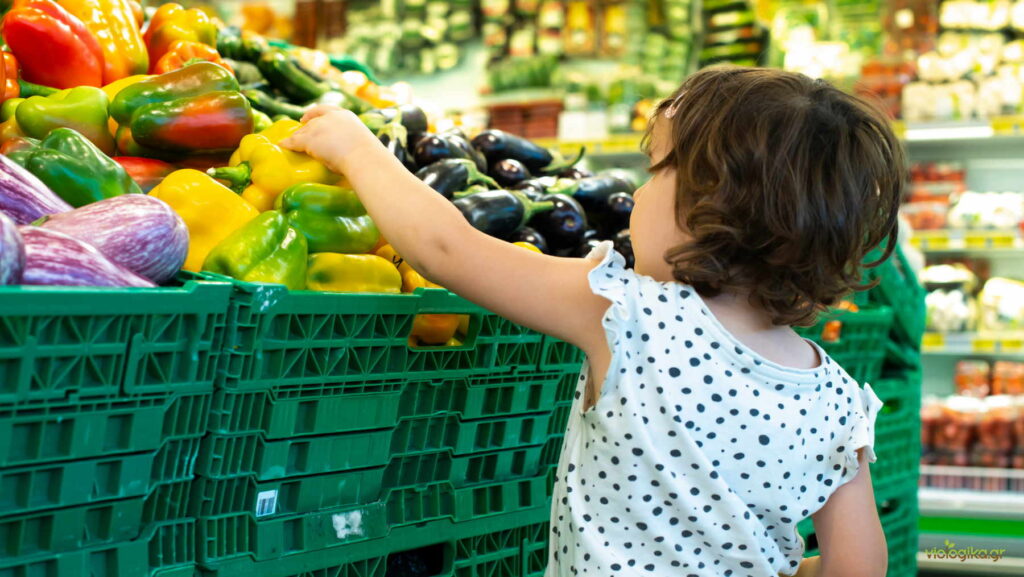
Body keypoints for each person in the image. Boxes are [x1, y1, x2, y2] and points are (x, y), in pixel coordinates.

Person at [282, 65, 904, 577]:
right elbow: (860, 566)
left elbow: (447, 250)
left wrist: (357, 148)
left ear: (712, 208)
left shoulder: (626, 311)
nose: (636, 194)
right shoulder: (838, 401)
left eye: (657, 170)